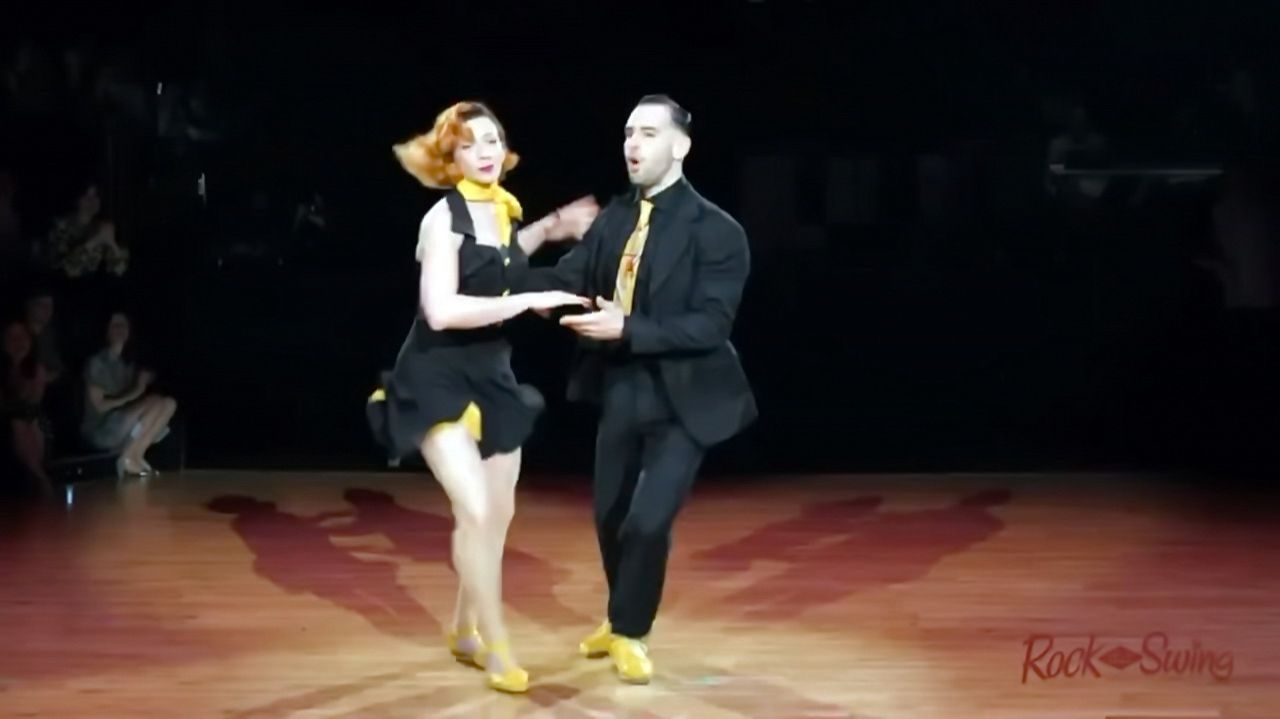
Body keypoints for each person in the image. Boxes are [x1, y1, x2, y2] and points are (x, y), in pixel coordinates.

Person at [523, 94, 757, 683]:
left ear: (680, 146)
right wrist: (519, 282)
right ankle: (619, 616)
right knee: (610, 517)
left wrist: (627, 327)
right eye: (628, 132)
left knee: (647, 522)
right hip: (622, 384)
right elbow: (568, 279)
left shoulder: (718, 230)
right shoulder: (615, 220)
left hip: (687, 395)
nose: (633, 144)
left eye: (649, 134)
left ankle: (631, 631)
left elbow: (710, 326)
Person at [365, 100, 596, 693]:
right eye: (469, 145)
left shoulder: (502, 211)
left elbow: (504, 260)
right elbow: (441, 311)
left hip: (492, 376)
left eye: (492, 140)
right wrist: (527, 301)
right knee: (474, 510)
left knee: (497, 517)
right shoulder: (441, 220)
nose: (485, 152)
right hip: (433, 376)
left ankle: (464, 629)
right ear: (451, 159)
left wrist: (551, 227)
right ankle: (498, 647)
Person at [81, 311, 178, 477]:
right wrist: (137, 391)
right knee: (154, 401)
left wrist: (142, 384)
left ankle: (135, 454)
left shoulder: (128, 364)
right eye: (115, 325)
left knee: (169, 403)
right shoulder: (97, 362)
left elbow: (138, 404)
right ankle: (128, 456)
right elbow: (99, 407)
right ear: (106, 330)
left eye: (123, 325)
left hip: (124, 424)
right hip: (101, 429)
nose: (120, 329)